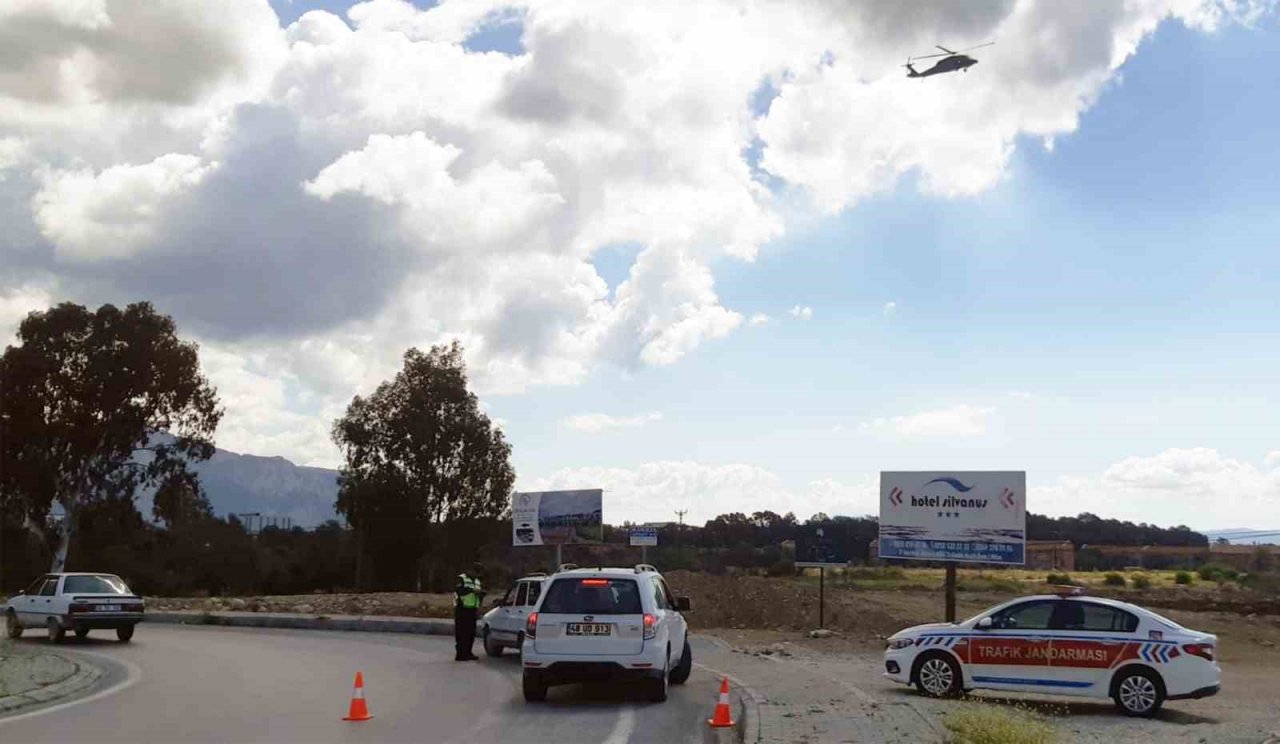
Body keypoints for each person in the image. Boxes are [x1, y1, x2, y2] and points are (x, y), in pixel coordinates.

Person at [454, 562, 485, 661]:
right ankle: (460, 654)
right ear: (471, 570)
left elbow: (478, 595)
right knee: (462, 632)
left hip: (472, 610)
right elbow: (459, 591)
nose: (477, 575)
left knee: (471, 633)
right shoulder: (462, 578)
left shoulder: (477, 581)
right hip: (462, 609)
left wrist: (481, 594)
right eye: (476, 572)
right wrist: (472, 590)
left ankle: (468, 652)